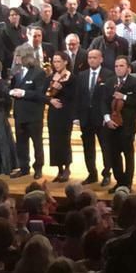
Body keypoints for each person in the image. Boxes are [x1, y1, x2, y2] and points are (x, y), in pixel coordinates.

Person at [102, 55, 136, 190]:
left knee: (128, 154)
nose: (118, 69)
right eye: (116, 66)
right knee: (114, 155)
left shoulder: (135, 82)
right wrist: (107, 119)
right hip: (111, 125)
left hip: (127, 125)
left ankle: (128, 183)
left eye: (121, 66)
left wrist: (125, 97)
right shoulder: (109, 82)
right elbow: (103, 102)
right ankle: (119, 181)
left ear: (128, 68)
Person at [8, 44, 47, 179]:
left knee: (37, 143)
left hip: (33, 114)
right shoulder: (17, 72)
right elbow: (11, 88)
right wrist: (11, 91)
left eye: (19, 56)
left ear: (27, 57)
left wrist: (24, 93)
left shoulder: (39, 72)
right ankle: (24, 167)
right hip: (19, 114)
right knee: (21, 143)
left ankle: (38, 168)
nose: (17, 59)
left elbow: (40, 94)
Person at [73, 48, 110, 186]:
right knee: (88, 148)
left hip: (101, 118)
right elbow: (77, 97)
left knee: (106, 147)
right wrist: (75, 116)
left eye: (95, 57)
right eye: (89, 58)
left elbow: (108, 98)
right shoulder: (82, 75)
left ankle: (106, 174)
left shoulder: (108, 74)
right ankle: (92, 174)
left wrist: (107, 117)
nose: (92, 60)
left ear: (101, 59)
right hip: (85, 118)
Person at [45, 50, 75, 182]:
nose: (56, 64)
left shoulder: (71, 77)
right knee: (54, 140)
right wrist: (50, 100)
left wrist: (62, 89)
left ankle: (67, 167)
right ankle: (59, 169)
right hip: (53, 112)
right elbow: (44, 95)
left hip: (65, 112)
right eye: (54, 61)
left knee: (64, 140)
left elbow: (74, 96)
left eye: (58, 61)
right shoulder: (50, 77)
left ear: (65, 62)